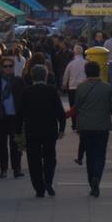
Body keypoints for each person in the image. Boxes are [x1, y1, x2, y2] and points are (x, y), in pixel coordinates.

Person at [18, 65, 66, 197]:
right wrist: (62, 128)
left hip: (32, 130)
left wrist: (17, 130)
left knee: (34, 159)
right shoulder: (51, 90)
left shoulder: (26, 91)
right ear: (45, 76)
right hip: (49, 130)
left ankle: (39, 187)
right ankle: (48, 181)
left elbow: (20, 113)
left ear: (32, 76)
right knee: (50, 157)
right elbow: (60, 112)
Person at [75, 61, 112, 198]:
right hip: (102, 126)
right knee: (100, 154)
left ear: (86, 72)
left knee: (90, 155)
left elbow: (77, 107)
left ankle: (91, 180)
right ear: (99, 72)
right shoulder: (107, 87)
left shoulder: (81, 88)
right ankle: (97, 177)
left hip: (86, 126)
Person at [0, 56, 26, 179]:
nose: (8, 68)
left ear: (13, 67)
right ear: (1, 67)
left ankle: (16, 168)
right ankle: (3, 169)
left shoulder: (18, 81)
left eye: (10, 66)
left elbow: (24, 97)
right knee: (1, 144)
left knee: (15, 144)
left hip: (15, 117)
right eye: (5, 66)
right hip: (0, 117)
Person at [63, 45, 88, 134]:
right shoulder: (86, 63)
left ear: (74, 52)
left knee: (73, 106)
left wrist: (64, 85)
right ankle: (82, 124)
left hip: (72, 88)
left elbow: (66, 75)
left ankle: (74, 125)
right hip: (84, 87)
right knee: (83, 106)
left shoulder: (71, 64)